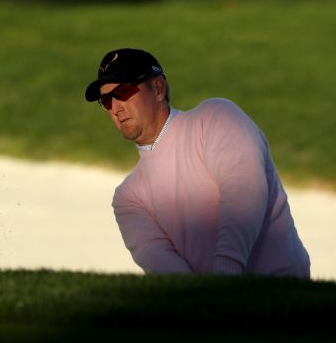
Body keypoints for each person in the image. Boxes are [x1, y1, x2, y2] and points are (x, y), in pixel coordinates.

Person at [85, 47, 310, 277]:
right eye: (106, 101)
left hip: (286, 295)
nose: (115, 108)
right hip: (216, 309)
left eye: (122, 92)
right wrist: (211, 299)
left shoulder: (217, 117)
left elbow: (244, 188)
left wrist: (225, 275)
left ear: (159, 89)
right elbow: (167, 270)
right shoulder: (128, 198)